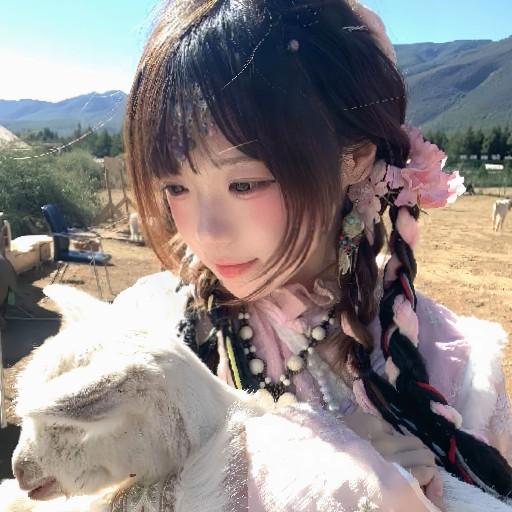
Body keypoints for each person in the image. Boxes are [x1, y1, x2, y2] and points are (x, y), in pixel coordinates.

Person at [115, 0, 512, 509]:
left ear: (354, 158)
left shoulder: (448, 366)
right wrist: (305, 468)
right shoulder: (151, 328)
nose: (207, 233)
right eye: (175, 187)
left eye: (244, 183)